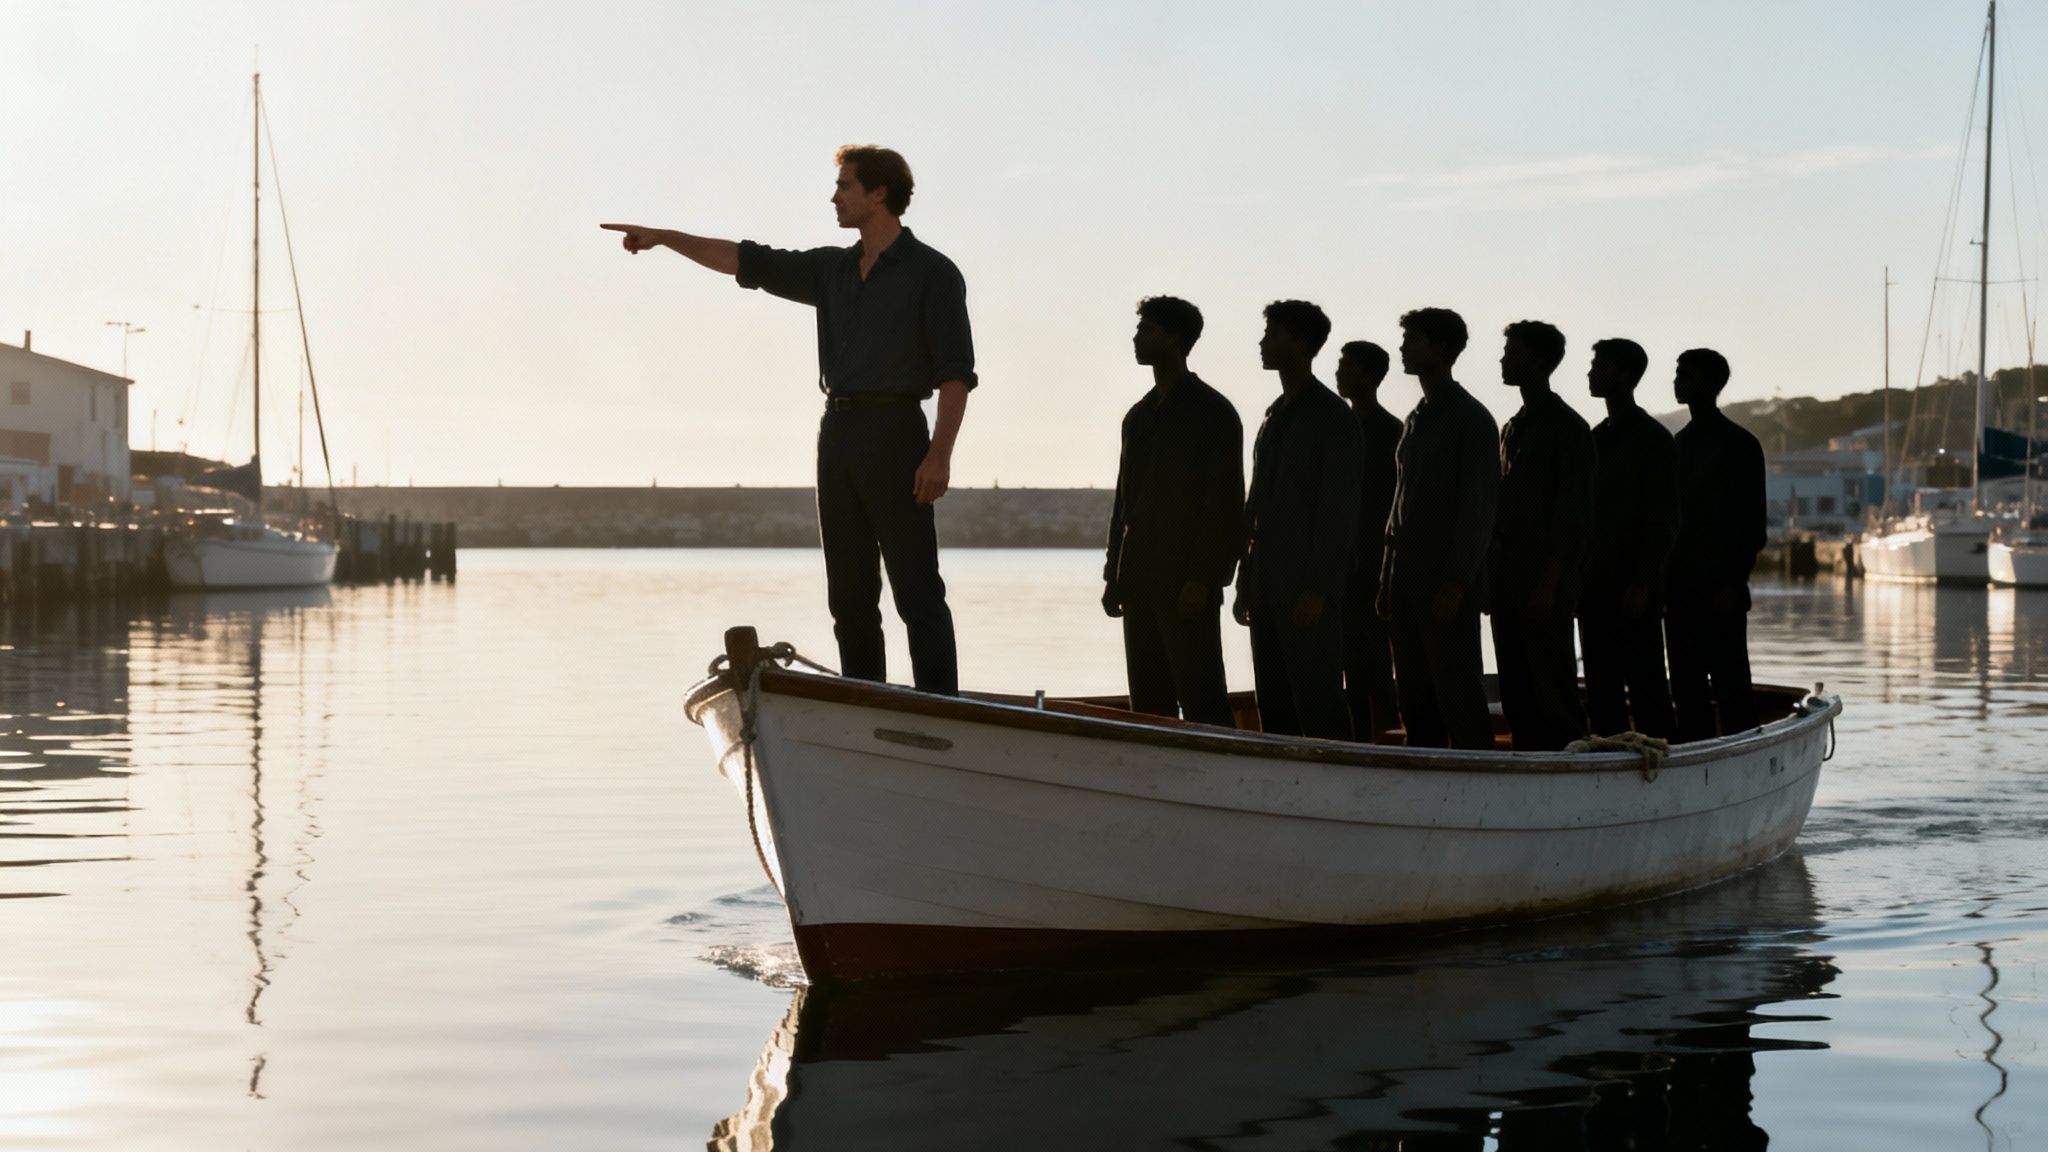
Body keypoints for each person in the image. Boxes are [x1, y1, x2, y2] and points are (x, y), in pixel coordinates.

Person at [601, 146, 974, 693]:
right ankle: (865, 704)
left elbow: (955, 374)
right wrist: (665, 237)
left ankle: (941, 708)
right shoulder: (833, 270)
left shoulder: (932, 273)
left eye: (845, 186)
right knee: (848, 595)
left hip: (898, 434)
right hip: (838, 434)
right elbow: (746, 259)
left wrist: (939, 454)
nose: (835, 196)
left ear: (879, 193)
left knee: (916, 591)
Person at [1102, 297, 1245, 726]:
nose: (1136, 337)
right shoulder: (1138, 417)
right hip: (1139, 578)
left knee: (1202, 694)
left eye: (1147, 329)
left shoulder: (1213, 412)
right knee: (1147, 701)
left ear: (1175, 339)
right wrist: (1114, 574)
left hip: (1185, 582)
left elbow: (1222, 504)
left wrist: (1203, 579)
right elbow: (1123, 504)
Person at [1234, 301, 1362, 740]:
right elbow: (1256, 506)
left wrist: (1318, 587)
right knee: (1273, 701)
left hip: (1305, 588)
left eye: (1273, 333)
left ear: (1303, 344)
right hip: (1266, 582)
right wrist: (1245, 580)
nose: (1263, 342)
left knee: (1318, 696)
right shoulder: (1275, 415)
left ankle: (1342, 787)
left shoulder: (1333, 417)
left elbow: (1338, 510)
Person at [1379, 307, 1499, 750]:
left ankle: (1482, 787)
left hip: (1444, 582)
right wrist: (1387, 574)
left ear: (1442, 348)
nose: (1404, 348)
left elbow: (1478, 509)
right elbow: (1401, 504)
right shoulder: (1416, 419)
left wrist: (1457, 580)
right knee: (1414, 695)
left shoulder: (1471, 419)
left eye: (1414, 339)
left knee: (1458, 692)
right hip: (1407, 579)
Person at [1487, 320, 1596, 751]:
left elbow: (1573, 515)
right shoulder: (1513, 428)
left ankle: (1569, 768)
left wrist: (1550, 582)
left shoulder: (1567, 428)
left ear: (1539, 361)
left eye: (1512, 352)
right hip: (1508, 575)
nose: (1503, 359)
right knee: (1516, 687)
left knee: (1551, 684)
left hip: (1543, 576)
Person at [1578, 338, 1679, 740]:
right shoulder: (1596, 437)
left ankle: (1657, 755)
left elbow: (1663, 519)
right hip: (1595, 582)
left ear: (1621, 374)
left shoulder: (1653, 439)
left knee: (1647, 681)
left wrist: (1642, 581)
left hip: (1634, 585)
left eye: (1599, 366)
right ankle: (1606, 757)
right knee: (1601, 684)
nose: (1590, 372)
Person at [1666, 348, 1766, 741]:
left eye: (1684, 375)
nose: (1676, 381)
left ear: (1709, 384)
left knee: (1731, 687)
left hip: (1719, 591)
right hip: (1680, 591)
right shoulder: (1680, 443)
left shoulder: (1739, 445)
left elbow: (1752, 527)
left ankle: (1739, 756)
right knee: (1686, 691)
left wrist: (1731, 581)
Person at [1334, 340, 1404, 742]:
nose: (1340, 372)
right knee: (1346, 666)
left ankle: (1383, 739)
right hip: (1341, 568)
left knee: (1374, 667)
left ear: (1371, 375)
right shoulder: (1343, 427)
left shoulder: (1387, 431)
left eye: (1348, 366)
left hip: (1372, 571)